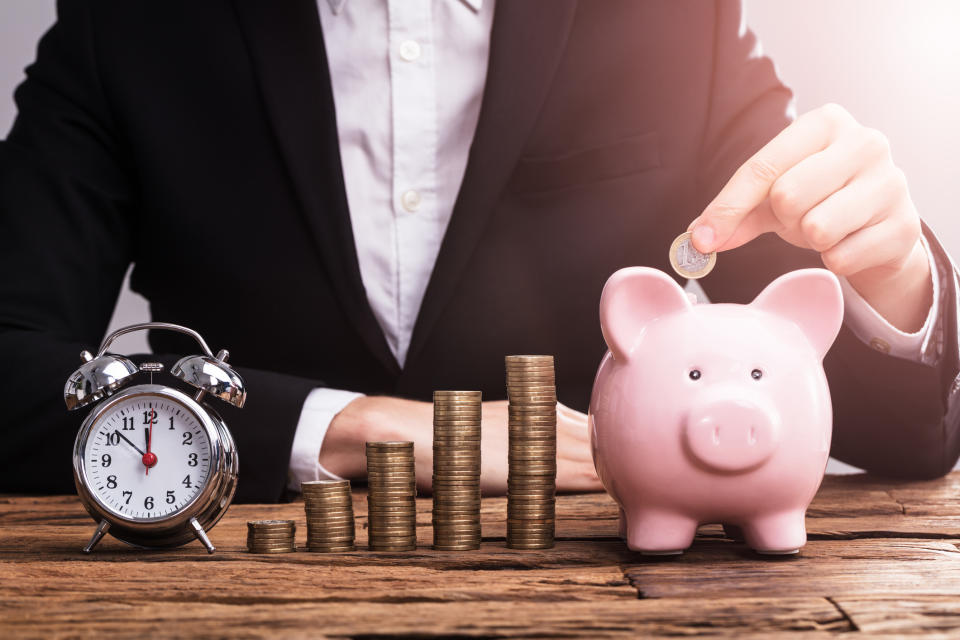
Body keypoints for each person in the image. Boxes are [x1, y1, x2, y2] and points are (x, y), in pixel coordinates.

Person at [1, 0, 957, 503]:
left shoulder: (671, 18)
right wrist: (352, 430)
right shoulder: (126, 22)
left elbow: (898, 435)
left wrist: (890, 278)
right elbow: (9, 362)